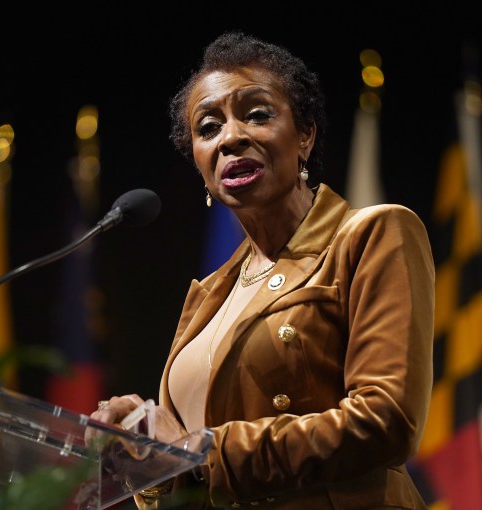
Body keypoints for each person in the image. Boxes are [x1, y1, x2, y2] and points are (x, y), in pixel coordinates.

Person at [91, 31, 435, 510]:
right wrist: (144, 447)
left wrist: (202, 453)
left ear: (305, 135)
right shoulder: (210, 294)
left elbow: (386, 420)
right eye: (208, 127)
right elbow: (186, 477)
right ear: (199, 161)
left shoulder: (370, 235)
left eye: (257, 114)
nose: (231, 137)